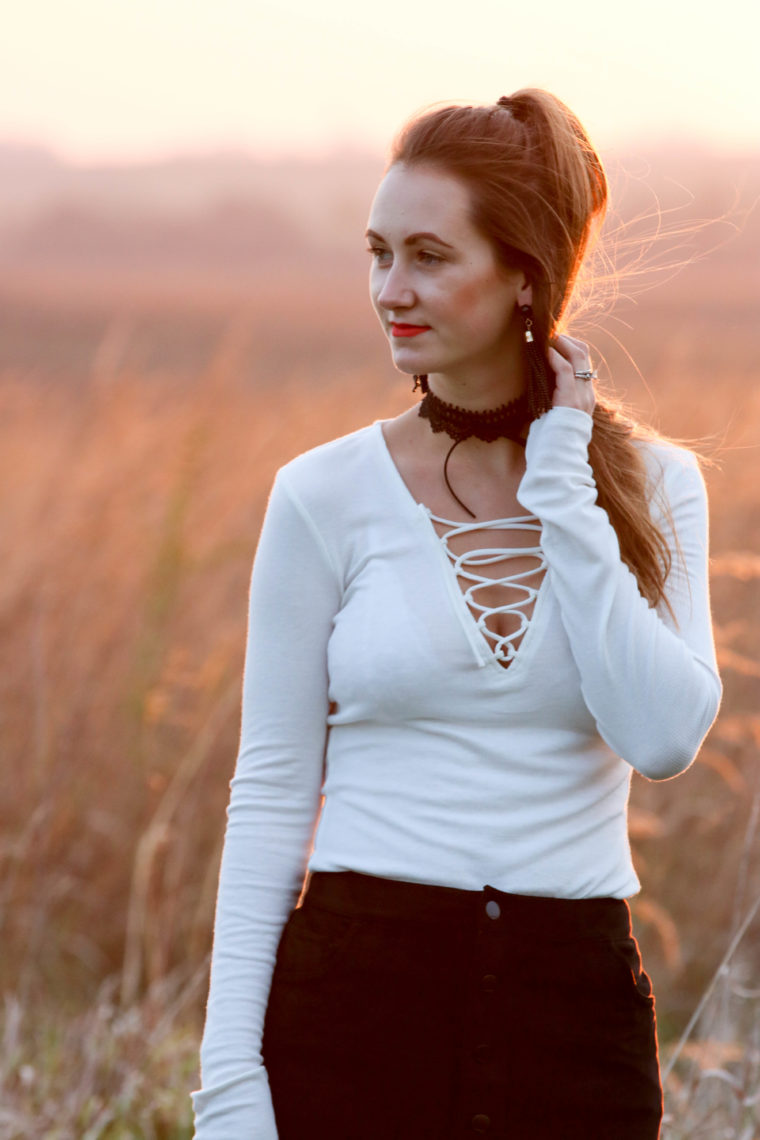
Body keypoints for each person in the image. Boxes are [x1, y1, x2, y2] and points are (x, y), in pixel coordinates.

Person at [190, 89, 722, 1140]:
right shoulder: (322, 494)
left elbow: (661, 739)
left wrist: (565, 486)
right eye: (377, 251)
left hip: (573, 1022)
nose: (392, 289)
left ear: (523, 273)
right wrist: (228, 1083)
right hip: (353, 1007)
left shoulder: (649, 488)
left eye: (429, 256)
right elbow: (271, 795)